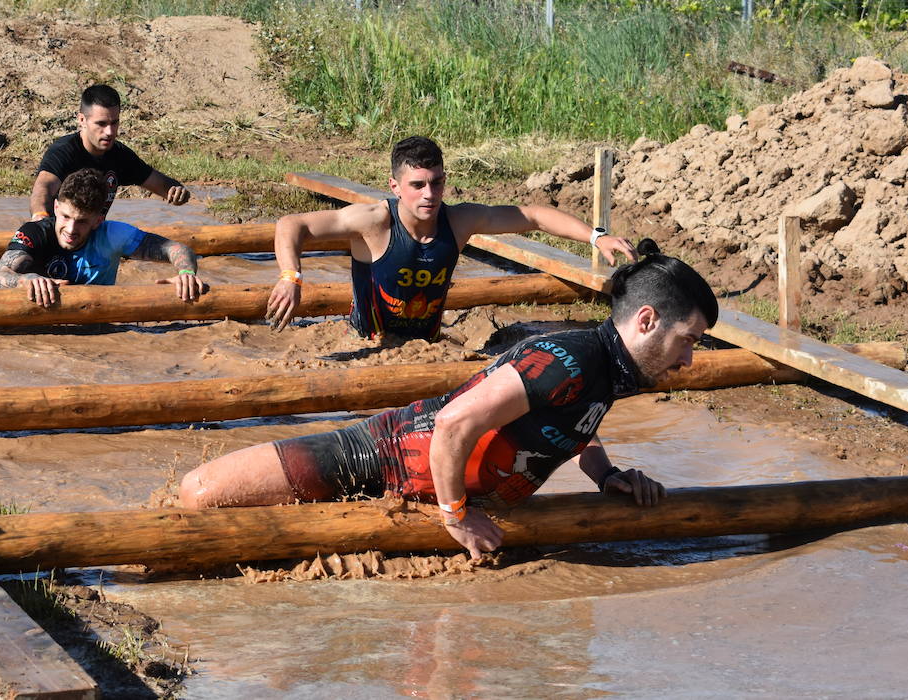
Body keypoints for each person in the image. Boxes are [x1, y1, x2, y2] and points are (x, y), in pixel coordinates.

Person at [182, 239, 717, 560]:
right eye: (687, 340)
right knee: (201, 493)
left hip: (422, 486)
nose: (689, 359)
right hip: (378, 456)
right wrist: (455, 514)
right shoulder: (568, 358)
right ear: (646, 321)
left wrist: (606, 475)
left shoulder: (611, 372)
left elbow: (575, 423)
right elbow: (456, 423)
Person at [265, 135, 637, 341]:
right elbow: (291, 224)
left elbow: (533, 216)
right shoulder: (373, 222)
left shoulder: (459, 221)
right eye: (417, 185)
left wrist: (596, 236)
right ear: (395, 186)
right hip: (367, 341)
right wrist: (290, 277)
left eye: (437, 182)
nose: (429, 194)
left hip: (429, 344)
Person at [0, 168, 204, 306]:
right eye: (66, 216)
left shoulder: (113, 234)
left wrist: (186, 273)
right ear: (56, 207)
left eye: (82, 221)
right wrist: (25, 280)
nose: (70, 229)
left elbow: (176, 249)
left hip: (97, 323)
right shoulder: (34, 233)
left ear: (97, 220)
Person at [28, 83, 189, 220]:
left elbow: (164, 186)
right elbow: (43, 188)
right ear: (82, 120)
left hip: (93, 237)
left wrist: (178, 192)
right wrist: (40, 216)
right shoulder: (64, 151)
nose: (110, 132)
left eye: (114, 123)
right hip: (59, 236)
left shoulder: (120, 155)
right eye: (101, 123)